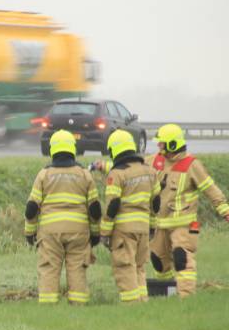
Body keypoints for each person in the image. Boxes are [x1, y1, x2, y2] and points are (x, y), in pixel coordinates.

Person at [143, 124, 229, 297]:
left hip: (184, 224)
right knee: (158, 261)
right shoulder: (154, 161)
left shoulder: (191, 165)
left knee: (181, 258)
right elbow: (133, 169)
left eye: (162, 144)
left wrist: (225, 212)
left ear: (173, 145)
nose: (159, 148)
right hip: (160, 224)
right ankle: (167, 294)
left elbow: (211, 190)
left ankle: (186, 297)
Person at [24, 130, 101, 305]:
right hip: (79, 232)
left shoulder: (43, 175)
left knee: (49, 269)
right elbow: (95, 210)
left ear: (52, 150)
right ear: (73, 148)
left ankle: (49, 308)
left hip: (50, 233)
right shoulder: (84, 174)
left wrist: (30, 233)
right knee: (77, 269)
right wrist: (95, 234)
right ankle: (78, 306)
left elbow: (31, 209)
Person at [99, 130, 161, 303]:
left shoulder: (117, 173)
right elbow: (155, 203)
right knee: (140, 267)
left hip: (124, 230)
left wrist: (104, 233)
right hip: (143, 228)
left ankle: (132, 305)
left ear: (114, 150)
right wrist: (152, 227)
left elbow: (113, 206)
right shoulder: (149, 171)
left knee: (125, 268)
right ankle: (143, 302)